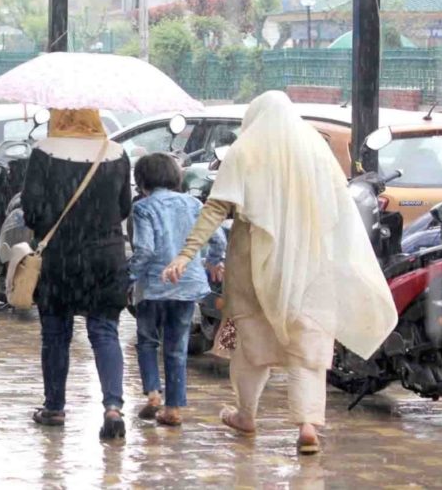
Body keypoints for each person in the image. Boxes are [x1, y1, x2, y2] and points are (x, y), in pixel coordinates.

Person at [163, 91, 396, 454]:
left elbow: (214, 209)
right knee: (308, 348)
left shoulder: (244, 151)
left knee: (248, 343)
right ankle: (307, 426)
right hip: (311, 269)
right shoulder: (316, 152)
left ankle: (245, 414)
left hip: (254, 271)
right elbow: (341, 211)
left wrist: (184, 255)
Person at [20, 108, 131, 440]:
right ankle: (112, 407)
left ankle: (54, 407)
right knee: (105, 332)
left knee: (55, 334)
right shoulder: (115, 152)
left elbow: (31, 210)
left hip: (61, 259)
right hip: (107, 257)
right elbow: (124, 205)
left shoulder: (45, 150)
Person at [129, 153, 226, 426]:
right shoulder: (194, 204)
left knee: (148, 342)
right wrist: (213, 262)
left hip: (153, 286)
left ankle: (152, 392)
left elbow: (145, 249)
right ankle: (173, 408)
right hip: (186, 285)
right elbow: (217, 239)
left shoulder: (143, 208)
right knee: (176, 346)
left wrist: (129, 276)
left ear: (141, 181)